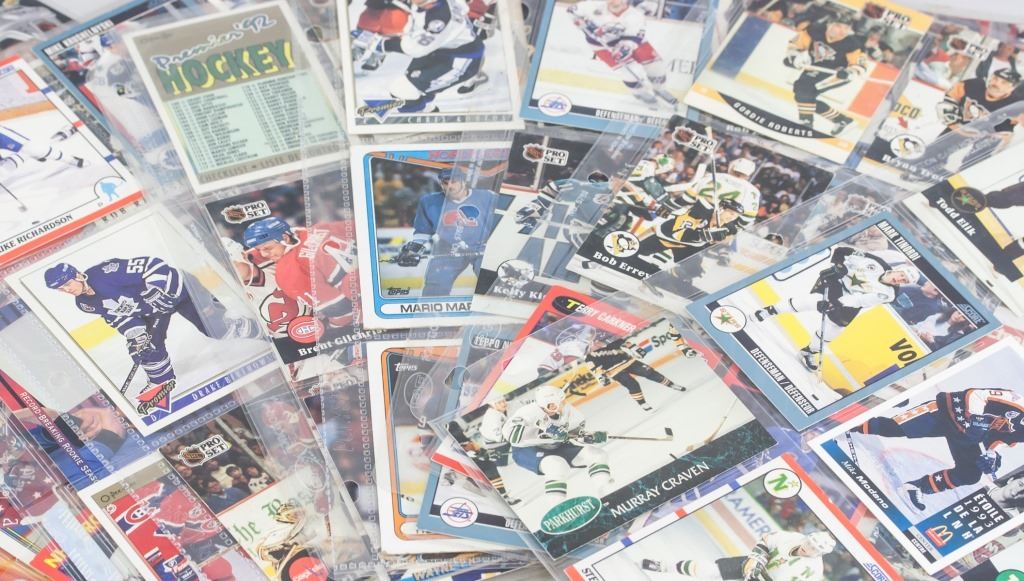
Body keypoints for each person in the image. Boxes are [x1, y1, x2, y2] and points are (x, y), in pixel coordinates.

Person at [44, 259, 261, 413]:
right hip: (151, 310)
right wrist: (137, 335)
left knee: (217, 330)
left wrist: (159, 289)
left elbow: (153, 265)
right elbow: (118, 318)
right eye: (61, 289)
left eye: (67, 284)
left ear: (78, 275)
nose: (66, 290)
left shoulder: (105, 273)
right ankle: (161, 383)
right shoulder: (84, 303)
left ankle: (258, 329)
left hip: (181, 290)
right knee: (146, 348)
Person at [848, 388, 1024, 510]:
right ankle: (847, 421)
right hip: (947, 412)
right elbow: (976, 395)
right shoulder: (1017, 402)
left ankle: (916, 488)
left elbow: (999, 439)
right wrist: (977, 418)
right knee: (894, 428)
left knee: (970, 474)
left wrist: (991, 455)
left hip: (967, 435)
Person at [750, 245, 919, 371]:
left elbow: (858, 300)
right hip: (836, 281)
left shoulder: (889, 294)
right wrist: (839, 266)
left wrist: (833, 304)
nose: (899, 280)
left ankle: (809, 352)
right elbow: (842, 251)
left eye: (904, 281)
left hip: (849, 301)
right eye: (901, 275)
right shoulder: (876, 262)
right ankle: (769, 311)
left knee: (834, 331)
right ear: (898, 270)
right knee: (811, 301)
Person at [353, 0, 485, 113]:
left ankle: (423, 122)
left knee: (404, 91)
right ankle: (427, 112)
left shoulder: (439, 19)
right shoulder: (431, 5)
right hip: (440, 51)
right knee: (408, 90)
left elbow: (414, 48)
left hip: (461, 60)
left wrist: (378, 43)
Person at [394, 168, 498, 296]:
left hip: (481, 247)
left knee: (491, 283)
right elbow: (423, 230)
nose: (449, 186)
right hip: (448, 249)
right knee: (435, 287)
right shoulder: (429, 202)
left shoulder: (488, 197)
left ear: (464, 181)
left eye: (454, 181)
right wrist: (413, 250)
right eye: (445, 182)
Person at [241, 216, 358, 329]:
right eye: (259, 250)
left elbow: (341, 311)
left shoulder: (289, 272)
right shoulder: (320, 228)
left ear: (285, 238)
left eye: (267, 248)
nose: (263, 254)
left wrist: (335, 329)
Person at [502, 385, 614, 503]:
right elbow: (510, 435)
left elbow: (575, 435)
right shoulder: (529, 411)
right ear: (550, 405)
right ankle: (558, 505)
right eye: (560, 402)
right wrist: (544, 428)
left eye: (563, 400)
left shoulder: (570, 412)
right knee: (557, 466)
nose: (564, 404)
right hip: (527, 449)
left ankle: (606, 493)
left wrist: (590, 436)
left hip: (557, 445)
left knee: (596, 455)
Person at [567, 0, 676, 106]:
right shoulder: (593, 4)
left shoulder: (635, 15)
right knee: (630, 72)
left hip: (630, 41)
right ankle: (639, 92)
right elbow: (571, 10)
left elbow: (634, 38)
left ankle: (660, 89)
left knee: (656, 66)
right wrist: (578, 20)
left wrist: (624, 49)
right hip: (601, 45)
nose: (614, 1)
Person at [783, 13, 866, 135]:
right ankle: (842, 120)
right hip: (815, 68)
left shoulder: (852, 44)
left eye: (846, 28)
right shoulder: (813, 30)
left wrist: (850, 72)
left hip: (837, 74)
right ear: (829, 24)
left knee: (804, 91)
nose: (843, 31)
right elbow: (795, 45)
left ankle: (806, 123)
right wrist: (794, 57)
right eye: (838, 26)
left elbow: (860, 66)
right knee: (802, 95)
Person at [641, 530, 837, 579]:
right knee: (705, 570)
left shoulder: (813, 572)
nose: (807, 547)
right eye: (809, 543)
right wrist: (756, 559)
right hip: (753, 565)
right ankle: (663, 566)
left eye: (813, 548)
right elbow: (767, 540)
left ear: (820, 553)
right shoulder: (794, 537)